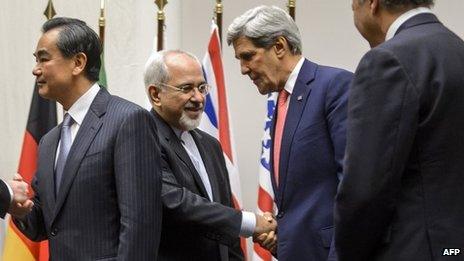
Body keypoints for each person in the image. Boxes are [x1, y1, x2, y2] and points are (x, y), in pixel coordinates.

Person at [13, 17, 162, 260]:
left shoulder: (128, 120)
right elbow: (44, 225)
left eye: (44, 58)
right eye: (36, 59)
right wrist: (16, 206)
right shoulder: (49, 141)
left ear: (78, 62)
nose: (35, 69)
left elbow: (140, 226)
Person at [335, 1, 464, 260]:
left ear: (372, 4)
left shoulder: (387, 60)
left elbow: (364, 190)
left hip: (412, 248)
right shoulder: (457, 49)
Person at [227, 6, 352, 261]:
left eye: (248, 56)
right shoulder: (283, 99)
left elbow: (351, 185)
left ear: (280, 46)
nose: (243, 69)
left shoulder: (334, 87)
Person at [144, 49, 277, 261]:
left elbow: (226, 226)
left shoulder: (210, 145)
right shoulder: (142, 139)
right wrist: (253, 223)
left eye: (202, 87)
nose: (198, 98)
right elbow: (176, 204)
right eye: (186, 88)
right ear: (155, 94)